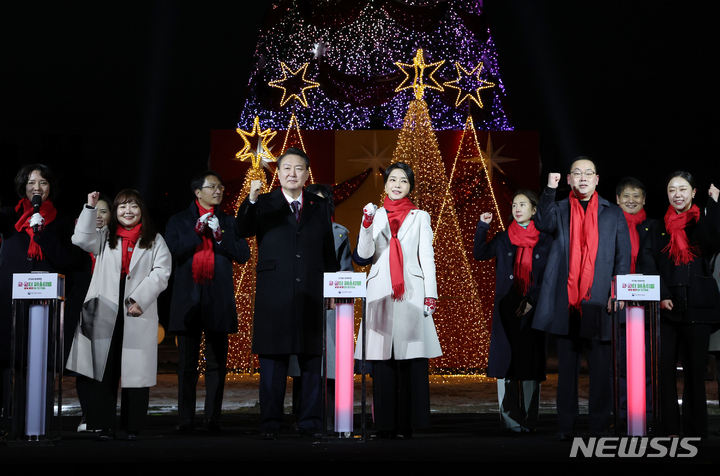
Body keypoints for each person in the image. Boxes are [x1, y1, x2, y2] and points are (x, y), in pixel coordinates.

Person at [235, 147, 338, 440]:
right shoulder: (263, 202)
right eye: (286, 169)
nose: (292, 174)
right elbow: (242, 229)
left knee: (310, 358)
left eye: (298, 169)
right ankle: (270, 421)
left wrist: (330, 287)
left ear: (307, 174)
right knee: (273, 359)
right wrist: (251, 199)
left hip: (310, 289)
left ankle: (309, 421)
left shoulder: (319, 206)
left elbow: (327, 250)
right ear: (277, 174)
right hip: (274, 291)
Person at [532, 157, 631, 440]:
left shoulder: (613, 213)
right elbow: (541, 223)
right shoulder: (560, 209)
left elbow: (623, 258)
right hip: (566, 302)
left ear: (597, 179)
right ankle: (566, 426)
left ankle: (599, 424)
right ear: (569, 179)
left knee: (601, 371)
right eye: (578, 173)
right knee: (567, 371)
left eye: (589, 173)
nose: (583, 178)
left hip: (600, 302)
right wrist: (549, 190)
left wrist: (619, 291)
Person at [66, 189, 171, 440]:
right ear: (115, 212)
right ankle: (101, 424)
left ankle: (133, 427)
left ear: (142, 211)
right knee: (102, 370)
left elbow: (162, 271)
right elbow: (80, 239)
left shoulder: (154, 239)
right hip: (104, 309)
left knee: (135, 372)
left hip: (136, 310)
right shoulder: (104, 236)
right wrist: (90, 208)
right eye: (122, 207)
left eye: (133, 206)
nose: (128, 212)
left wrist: (140, 299)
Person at [354, 162, 441, 439]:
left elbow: (426, 256)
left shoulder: (420, 216)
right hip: (381, 290)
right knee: (383, 361)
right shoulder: (375, 214)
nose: (397, 185)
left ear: (410, 186)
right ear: (386, 184)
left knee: (410, 358)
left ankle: (409, 424)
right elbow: (364, 254)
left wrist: (431, 293)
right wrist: (366, 225)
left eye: (403, 181)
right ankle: (385, 425)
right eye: (393, 180)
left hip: (412, 291)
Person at [637, 172, 720, 438]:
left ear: (693, 192)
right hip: (667, 309)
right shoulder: (656, 227)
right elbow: (648, 264)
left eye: (683, 189)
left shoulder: (702, 222)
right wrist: (660, 294)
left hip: (699, 307)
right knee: (664, 373)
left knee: (696, 373)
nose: (677, 194)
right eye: (672, 189)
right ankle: (669, 428)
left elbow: (713, 242)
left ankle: (696, 430)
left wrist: (714, 205)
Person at [166, 170, 250, 433]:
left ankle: (213, 418)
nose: (218, 191)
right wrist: (196, 233)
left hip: (218, 301)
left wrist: (220, 237)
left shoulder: (228, 221)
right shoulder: (178, 220)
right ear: (197, 191)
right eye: (212, 186)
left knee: (217, 365)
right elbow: (172, 252)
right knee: (186, 365)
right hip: (188, 300)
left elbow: (243, 255)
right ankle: (185, 419)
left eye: (221, 187)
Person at [0, 164, 73, 434]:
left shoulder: (61, 220)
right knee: (10, 362)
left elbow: (67, 260)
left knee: (40, 363)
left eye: (43, 183)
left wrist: (41, 235)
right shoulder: (9, 217)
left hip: (45, 306)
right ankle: (10, 423)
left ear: (50, 188)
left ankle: (37, 423)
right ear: (23, 187)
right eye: (31, 183)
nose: (37, 188)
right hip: (10, 302)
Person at [474, 190, 551, 433]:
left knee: (529, 362)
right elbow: (480, 254)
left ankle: (529, 421)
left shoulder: (545, 239)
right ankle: (510, 422)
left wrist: (533, 299)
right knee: (506, 362)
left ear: (534, 210)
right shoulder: (503, 237)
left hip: (532, 308)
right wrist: (482, 227)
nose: (517, 209)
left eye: (523, 204)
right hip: (506, 309)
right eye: (515, 205)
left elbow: (549, 276)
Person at [288, 183, 353, 428]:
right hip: (302, 306)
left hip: (330, 309)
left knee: (331, 365)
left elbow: (346, 271)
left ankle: (330, 419)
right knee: (302, 364)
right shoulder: (292, 232)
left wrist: (338, 298)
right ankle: (301, 418)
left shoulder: (339, 233)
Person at [65, 194, 112, 433]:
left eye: (104, 211)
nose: (99, 216)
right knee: (83, 366)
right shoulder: (77, 243)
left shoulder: (116, 243)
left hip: (107, 307)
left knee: (104, 366)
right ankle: (87, 415)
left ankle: (102, 415)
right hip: (80, 306)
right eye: (95, 211)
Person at [614, 177, 655, 428]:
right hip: (618, 305)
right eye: (626, 196)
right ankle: (621, 416)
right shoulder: (607, 226)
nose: (631, 200)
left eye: (636, 196)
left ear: (644, 200)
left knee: (646, 363)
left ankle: (646, 416)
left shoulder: (653, 226)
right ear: (617, 200)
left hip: (646, 307)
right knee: (619, 364)